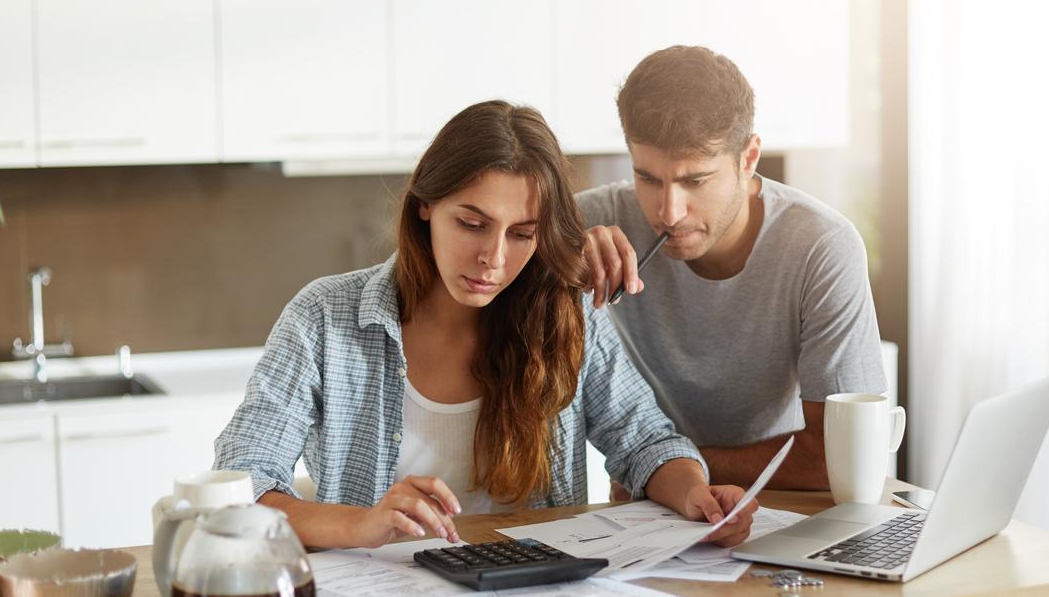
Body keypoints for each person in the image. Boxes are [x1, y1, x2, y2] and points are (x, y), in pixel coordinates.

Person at [213, 100, 758, 549]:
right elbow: (238, 488)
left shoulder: (565, 316)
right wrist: (363, 525)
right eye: (472, 224)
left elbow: (645, 443)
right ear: (426, 204)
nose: (493, 259)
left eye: (522, 234)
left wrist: (695, 495)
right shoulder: (325, 320)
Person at [576, 46, 887, 491]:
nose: (668, 211)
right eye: (647, 178)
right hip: (648, 518)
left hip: (781, 506)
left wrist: (662, 466)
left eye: (695, 180)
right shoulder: (593, 226)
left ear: (748, 158)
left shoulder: (821, 246)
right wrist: (554, 265)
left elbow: (834, 458)